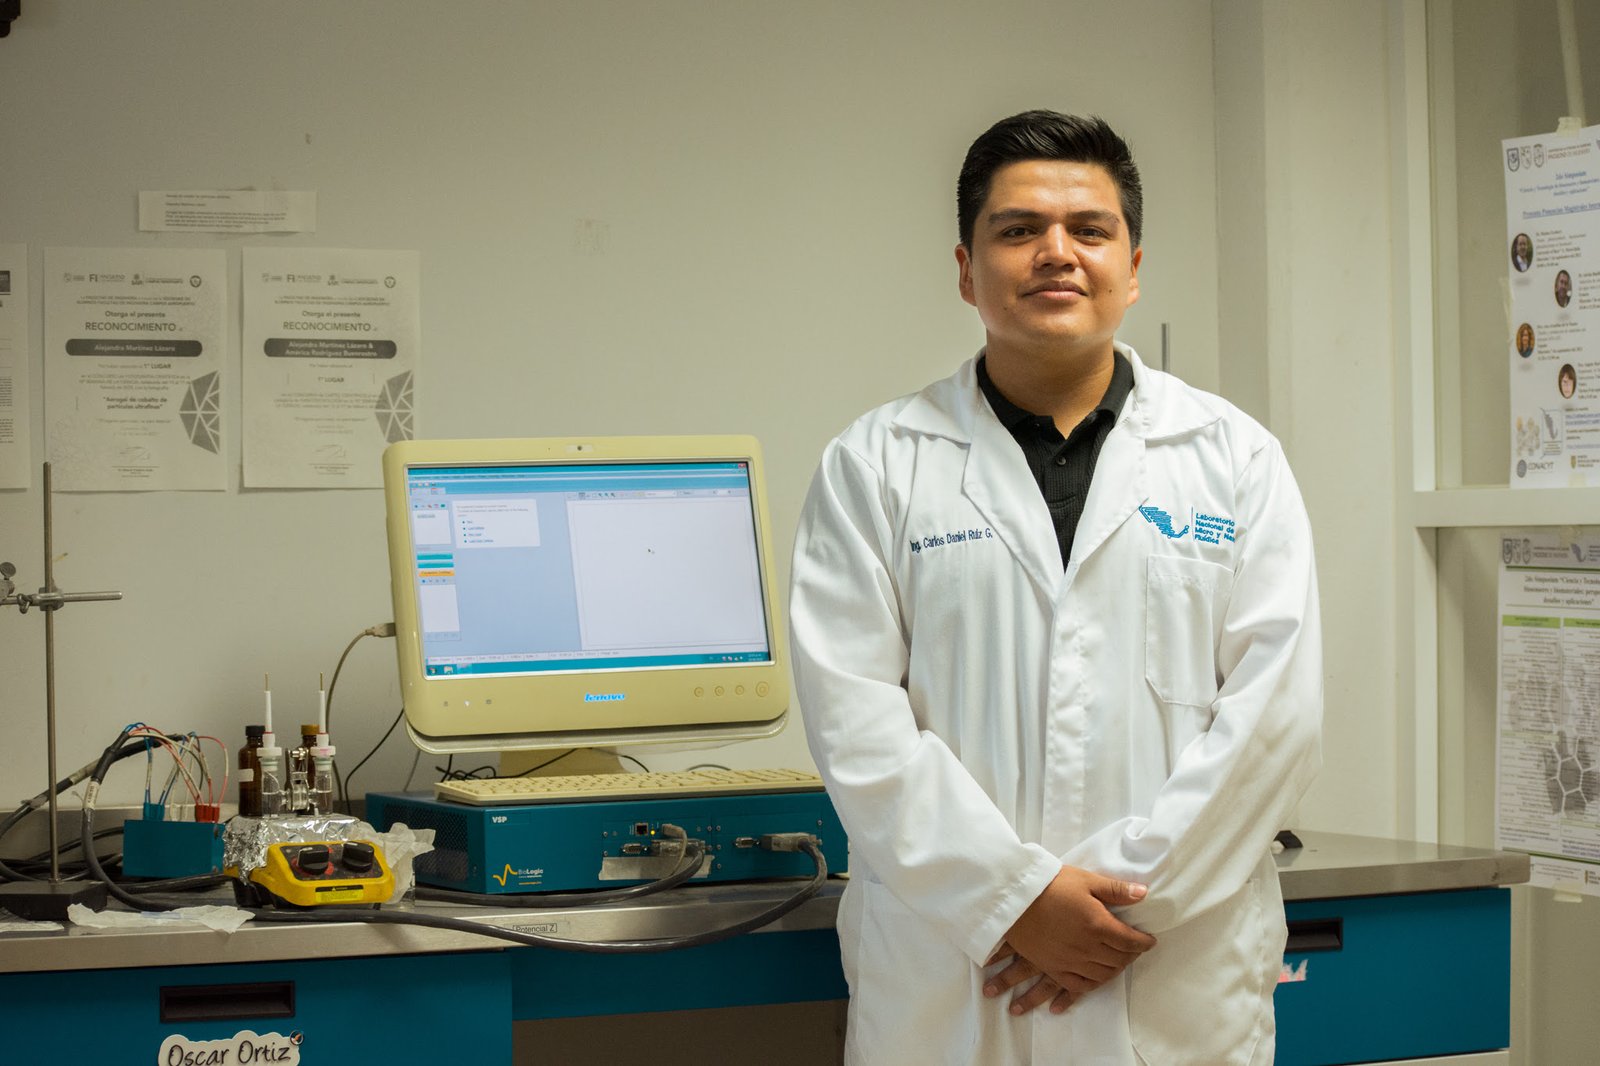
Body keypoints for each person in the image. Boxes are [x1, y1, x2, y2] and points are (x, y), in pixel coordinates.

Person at [789, 110, 1323, 1065]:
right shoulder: (876, 464)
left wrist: (1116, 907)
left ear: (1133, 265)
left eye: (1089, 229)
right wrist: (1012, 902)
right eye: (1019, 229)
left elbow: (1274, 720)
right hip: (954, 979)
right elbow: (856, 726)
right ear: (966, 269)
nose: (1056, 253)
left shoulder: (1234, 460)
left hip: (1170, 971)